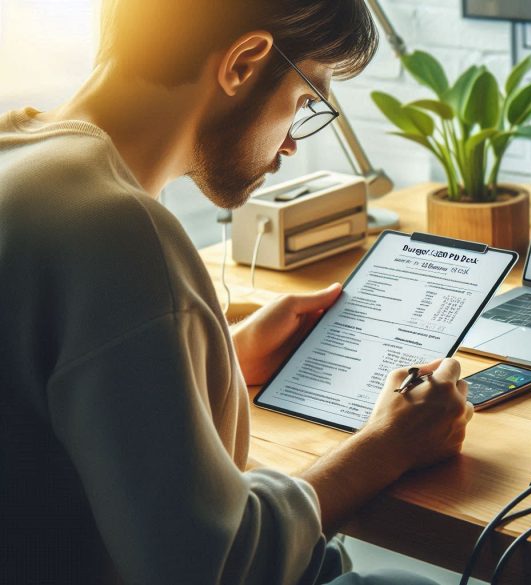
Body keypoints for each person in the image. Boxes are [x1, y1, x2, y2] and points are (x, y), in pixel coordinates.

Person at [0, 1, 474, 583]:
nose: (293, 145)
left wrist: (215, 356)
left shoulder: (20, 164)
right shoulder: (114, 228)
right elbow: (216, 566)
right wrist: (388, 444)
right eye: (305, 101)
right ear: (244, 63)